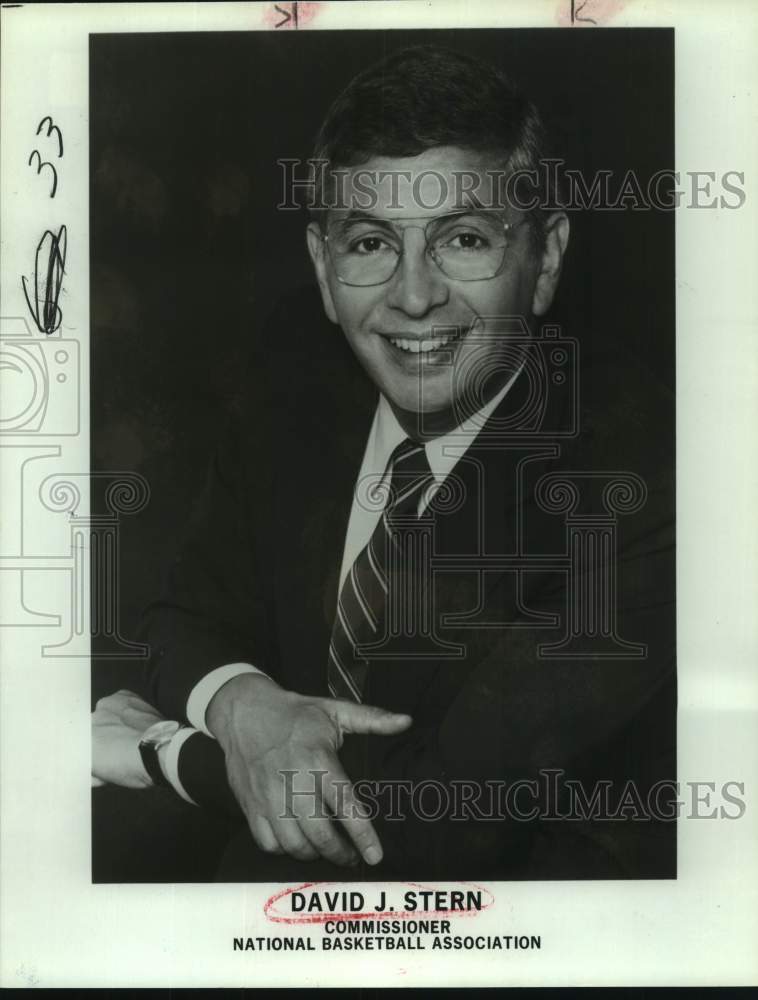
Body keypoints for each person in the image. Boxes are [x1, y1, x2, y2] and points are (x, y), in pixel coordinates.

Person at [92, 45, 676, 881]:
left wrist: (154, 751)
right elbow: (178, 615)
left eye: (463, 239)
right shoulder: (293, 383)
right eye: (370, 243)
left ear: (544, 260)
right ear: (324, 270)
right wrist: (242, 703)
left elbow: (434, 819)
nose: (412, 297)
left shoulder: (639, 484)